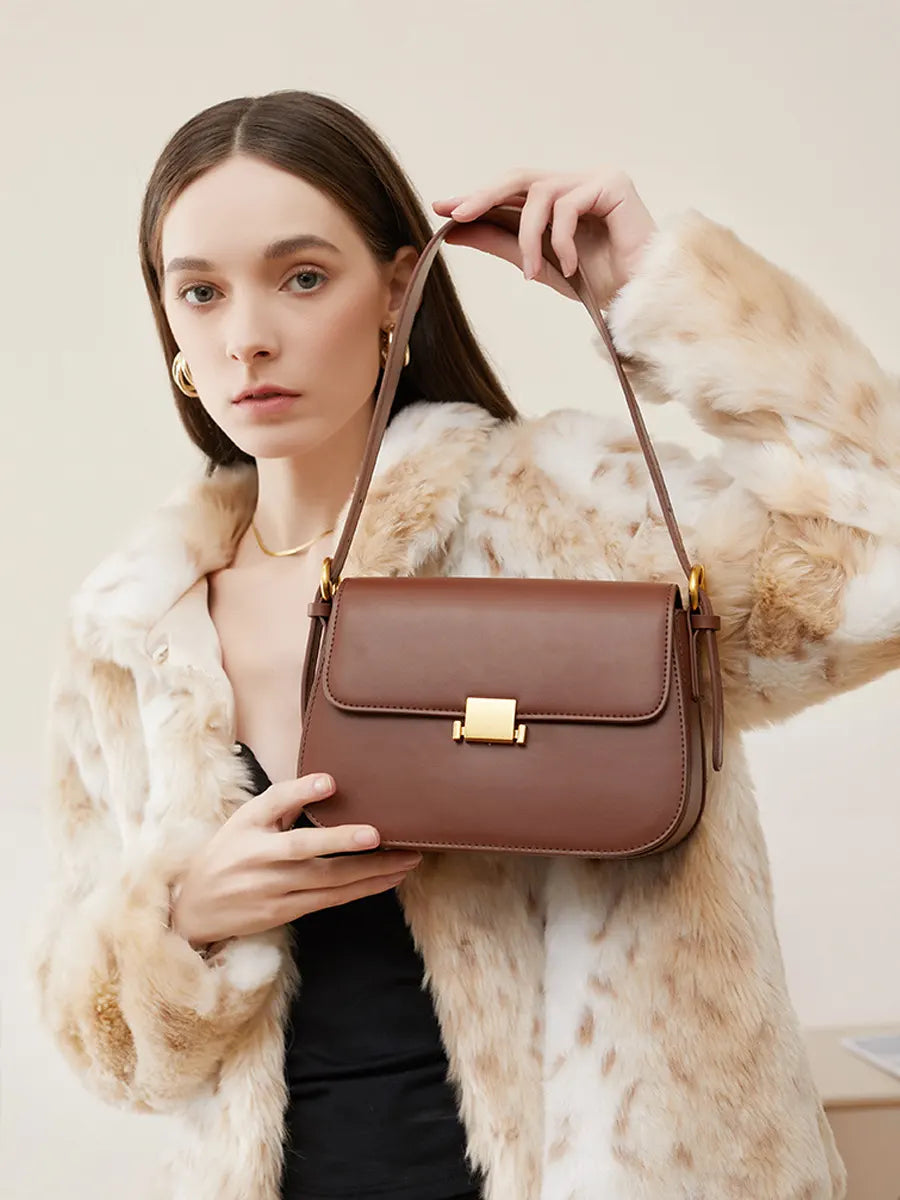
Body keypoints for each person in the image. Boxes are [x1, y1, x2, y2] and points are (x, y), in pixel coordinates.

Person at [28, 89, 900, 1200]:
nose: (247, 332)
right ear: (174, 330)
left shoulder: (563, 520)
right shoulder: (129, 631)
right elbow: (100, 1040)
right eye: (200, 292)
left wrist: (656, 300)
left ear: (397, 290)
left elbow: (882, 550)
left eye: (302, 276)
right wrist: (184, 920)